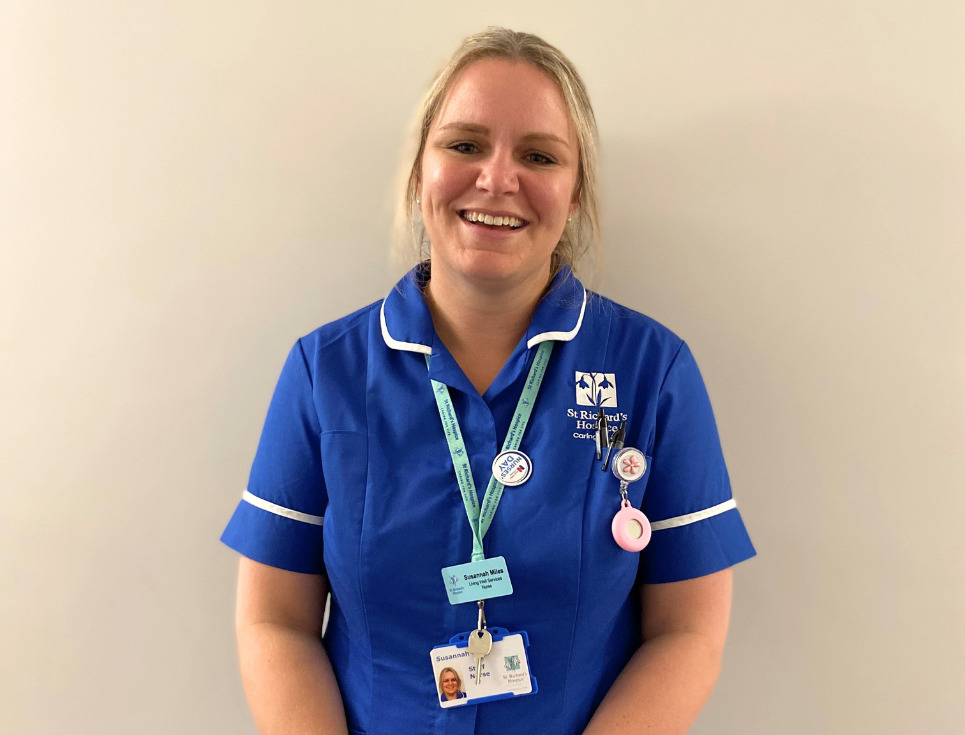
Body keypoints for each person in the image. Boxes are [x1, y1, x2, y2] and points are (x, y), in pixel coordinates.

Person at [221, 27, 755, 735]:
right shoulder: (326, 372)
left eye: (538, 155)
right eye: (464, 144)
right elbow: (273, 619)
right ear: (419, 172)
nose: (497, 178)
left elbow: (687, 633)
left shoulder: (652, 372)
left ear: (574, 194)